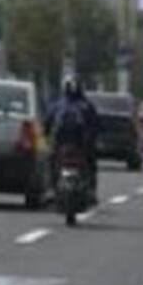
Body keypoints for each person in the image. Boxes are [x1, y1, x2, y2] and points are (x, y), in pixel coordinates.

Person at [45, 77, 101, 205]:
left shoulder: (58, 104)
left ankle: (51, 189)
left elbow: (47, 123)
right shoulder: (86, 105)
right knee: (90, 161)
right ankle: (91, 190)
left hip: (65, 143)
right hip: (77, 144)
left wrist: (47, 135)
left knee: (51, 159)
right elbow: (96, 125)